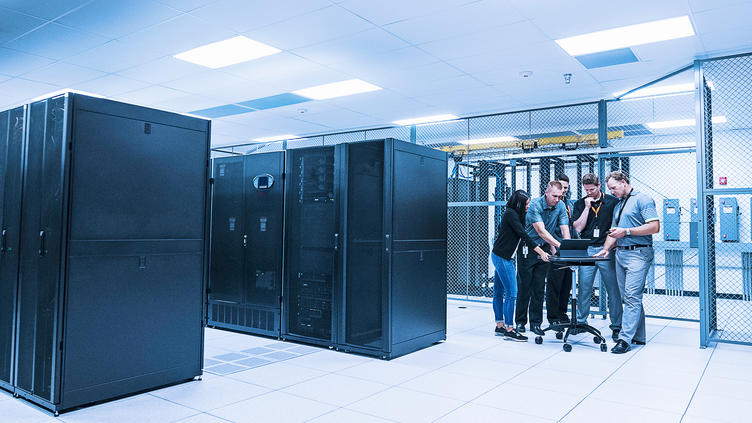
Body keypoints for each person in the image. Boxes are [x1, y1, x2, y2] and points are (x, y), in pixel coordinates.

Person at [595, 171, 660, 354]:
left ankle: (624, 339)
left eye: (614, 188)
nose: (612, 192)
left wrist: (627, 232)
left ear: (624, 182)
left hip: (638, 253)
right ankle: (638, 336)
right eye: (610, 189)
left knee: (632, 296)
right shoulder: (619, 205)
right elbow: (614, 233)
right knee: (629, 297)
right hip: (620, 254)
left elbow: (654, 226)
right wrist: (606, 248)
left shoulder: (643, 199)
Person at [491, 190, 551, 341]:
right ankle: (509, 329)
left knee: (498, 292)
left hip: (499, 255)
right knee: (511, 292)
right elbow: (523, 235)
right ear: (519, 203)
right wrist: (540, 251)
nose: (528, 206)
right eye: (526, 203)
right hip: (503, 258)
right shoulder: (510, 214)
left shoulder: (515, 215)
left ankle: (500, 326)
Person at [515, 181, 570, 336]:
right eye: (554, 196)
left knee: (539, 288)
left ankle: (535, 323)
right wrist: (561, 246)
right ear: (546, 192)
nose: (557, 199)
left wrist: (569, 247)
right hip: (529, 247)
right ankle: (520, 322)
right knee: (524, 286)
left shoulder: (560, 206)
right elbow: (541, 231)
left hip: (544, 249)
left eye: (560, 196)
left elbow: (565, 229)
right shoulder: (535, 205)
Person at [572, 173, 622, 341]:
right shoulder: (580, 203)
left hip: (606, 249)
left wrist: (610, 246)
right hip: (587, 249)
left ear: (599, 185)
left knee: (612, 290)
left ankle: (616, 326)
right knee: (584, 288)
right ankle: (580, 322)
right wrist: (587, 207)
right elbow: (578, 228)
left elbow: (617, 226)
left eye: (592, 189)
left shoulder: (612, 202)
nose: (589, 192)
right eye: (586, 190)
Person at [545, 174, 575, 325]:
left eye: (566, 189)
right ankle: (553, 317)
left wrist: (571, 247)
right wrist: (553, 247)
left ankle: (563, 313)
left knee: (566, 284)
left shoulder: (568, 204)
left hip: (567, 248)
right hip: (554, 248)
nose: (563, 191)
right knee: (554, 284)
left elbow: (569, 228)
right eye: (561, 188)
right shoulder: (549, 205)